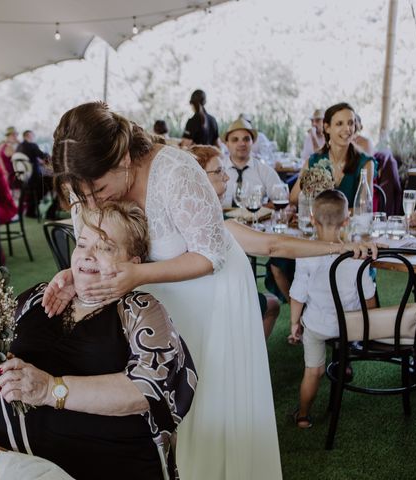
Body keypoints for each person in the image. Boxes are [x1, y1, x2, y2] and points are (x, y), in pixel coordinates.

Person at [42, 101, 281, 479]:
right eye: (79, 195)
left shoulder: (173, 170)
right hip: (149, 308)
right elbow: (91, 242)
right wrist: (76, 274)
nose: (90, 203)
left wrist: (139, 276)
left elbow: (211, 255)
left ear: (122, 158)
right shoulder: (88, 184)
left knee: (205, 407)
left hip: (210, 297)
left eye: (98, 190)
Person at [0, 201, 196, 480]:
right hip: (11, 462)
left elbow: (146, 390)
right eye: (82, 244)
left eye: (106, 247)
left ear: (133, 263)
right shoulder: (39, 296)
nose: (88, 255)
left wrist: (51, 389)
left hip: (100, 465)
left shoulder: (140, 310)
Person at [287, 190, 376, 428]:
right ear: (347, 219)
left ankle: (303, 416)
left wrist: (295, 324)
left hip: (317, 326)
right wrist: (371, 323)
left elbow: (298, 294)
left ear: (313, 218)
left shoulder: (305, 254)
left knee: (313, 371)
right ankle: (345, 360)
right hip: (351, 327)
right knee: (348, 324)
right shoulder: (357, 255)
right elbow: (368, 298)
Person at [190, 145, 280, 339]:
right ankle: (251, 357)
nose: (227, 177)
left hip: (199, 304)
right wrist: (335, 247)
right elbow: (272, 245)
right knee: (272, 304)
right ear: (199, 177)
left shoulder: (188, 218)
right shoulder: (220, 226)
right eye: (219, 170)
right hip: (220, 305)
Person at [290, 102, 377, 205]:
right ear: (327, 128)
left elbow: (364, 209)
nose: (347, 129)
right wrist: (308, 185)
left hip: (352, 221)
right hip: (320, 221)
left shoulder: (365, 163)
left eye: (350, 123)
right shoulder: (314, 160)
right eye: (339, 124)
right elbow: (293, 199)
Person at [221, 116, 284, 208]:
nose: (242, 144)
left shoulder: (265, 171)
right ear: (227, 144)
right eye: (235, 140)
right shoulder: (217, 171)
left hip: (255, 220)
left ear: (252, 142)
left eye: (246, 139)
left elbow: (281, 199)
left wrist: (258, 211)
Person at [16, 130, 51, 218]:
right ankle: (51, 212)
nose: (33, 138)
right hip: (34, 179)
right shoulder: (32, 145)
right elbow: (43, 156)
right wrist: (51, 157)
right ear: (28, 136)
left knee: (46, 181)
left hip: (23, 179)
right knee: (51, 182)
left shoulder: (19, 147)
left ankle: (30, 210)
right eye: (33, 136)